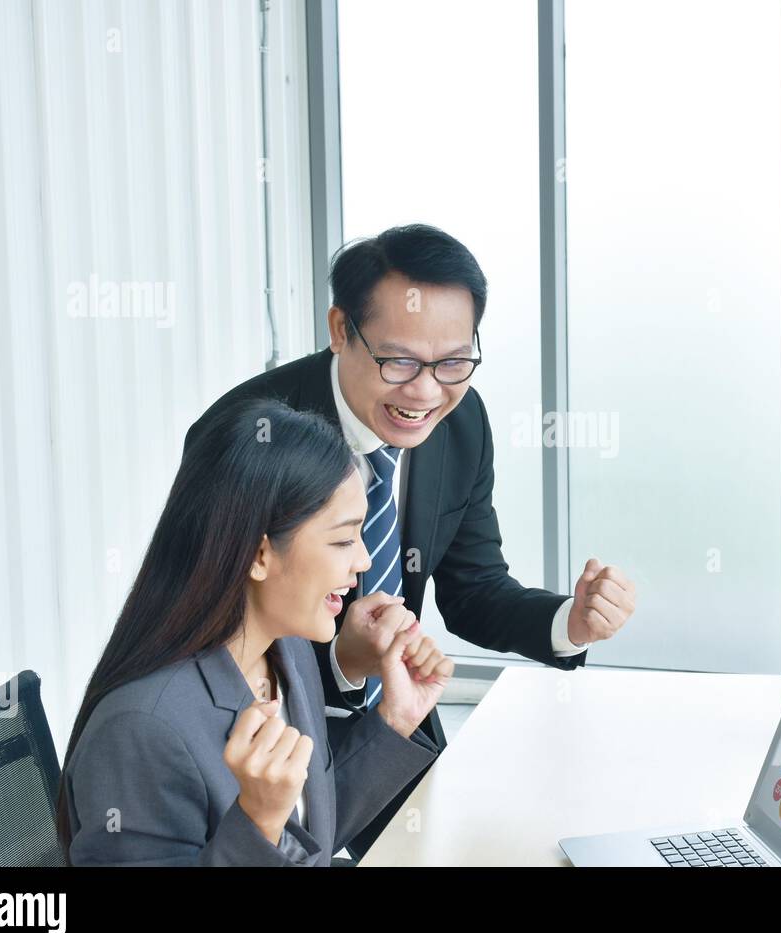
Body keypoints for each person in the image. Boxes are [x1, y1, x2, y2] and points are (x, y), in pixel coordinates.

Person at [185, 223, 638, 855]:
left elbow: (474, 589)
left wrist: (571, 622)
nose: (425, 392)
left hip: (395, 721)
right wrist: (342, 665)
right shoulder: (247, 436)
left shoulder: (460, 423)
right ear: (340, 329)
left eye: (453, 362)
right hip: (260, 746)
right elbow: (210, 637)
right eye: (398, 361)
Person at [58, 398, 452, 865]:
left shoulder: (286, 650)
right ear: (259, 555)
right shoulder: (141, 730)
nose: (364, 561)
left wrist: (395, 721)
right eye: (344, 539)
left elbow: (314, 839)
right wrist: (257, 824)